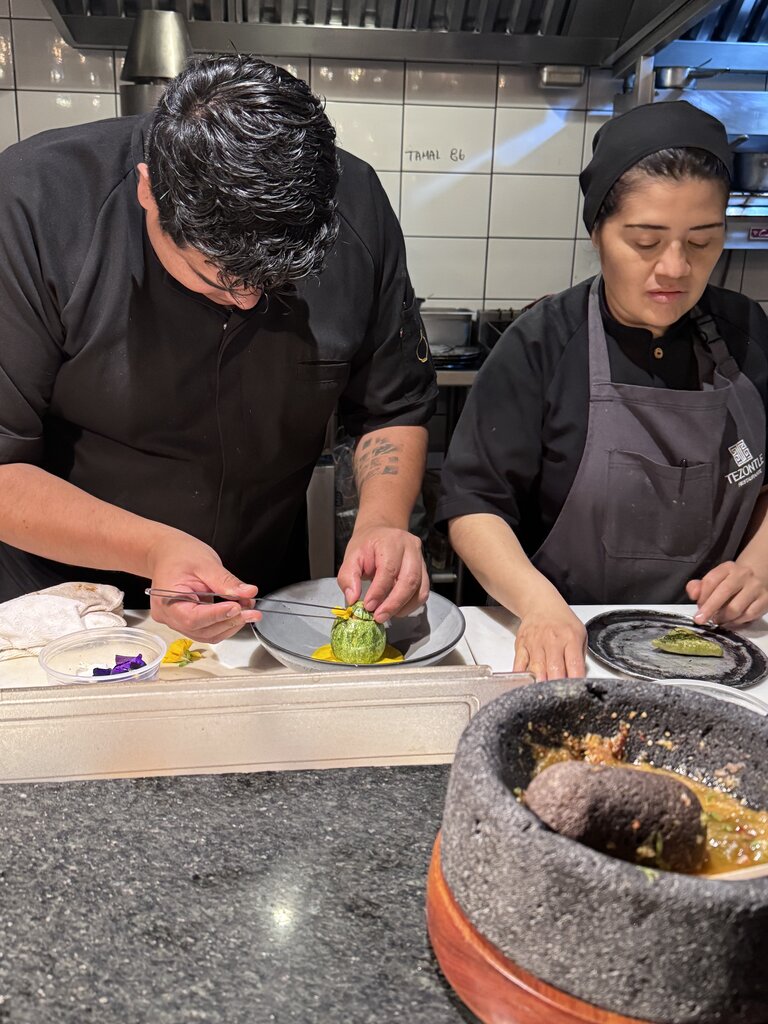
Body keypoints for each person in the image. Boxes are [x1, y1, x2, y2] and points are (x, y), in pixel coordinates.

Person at [0, 55, 437, 643]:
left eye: (276, 284)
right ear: (149, 192)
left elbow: (393, 408)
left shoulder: (355, 203)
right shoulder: (33, 205)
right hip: (64, 605)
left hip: (255, 598)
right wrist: (153, 549)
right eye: (219, 279)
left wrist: (381, 521)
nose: (250, 302)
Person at [437, 101, 768, 681]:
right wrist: (539, 606)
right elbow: (473, 505)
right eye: (645, 241)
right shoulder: (541, 344)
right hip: (566, 643)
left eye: (702, 242)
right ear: (597, 232)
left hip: (711, 642)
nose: (675, 268)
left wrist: (758, 567)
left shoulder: (748, 334)